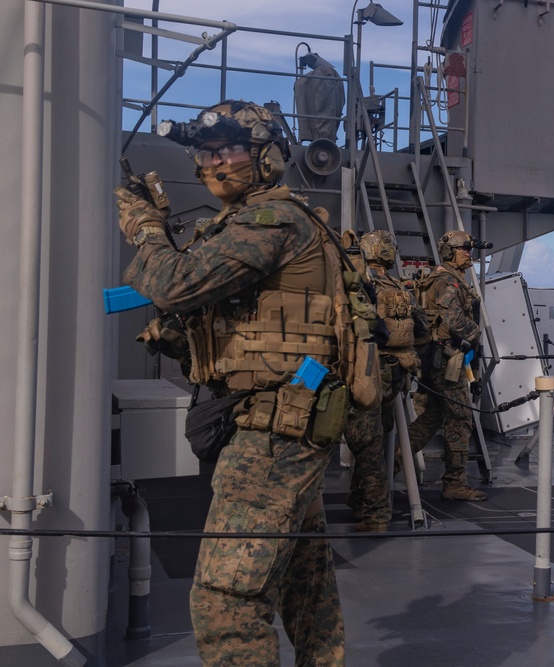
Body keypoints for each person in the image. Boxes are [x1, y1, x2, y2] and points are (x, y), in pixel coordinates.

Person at [116, 100, 348, 665]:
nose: (215, 163)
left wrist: (145, 228)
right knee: (304, 581)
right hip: (271, 419)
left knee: (226, 601)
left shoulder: (273, 220)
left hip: (273, 430)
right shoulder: (248, 225)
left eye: (229, 149)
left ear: (266, 157)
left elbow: (174, 283)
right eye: (206, 153)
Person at [344, 229, 429, 530]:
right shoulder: (400, 287)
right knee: (378, 439)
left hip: (367, 371)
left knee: (367, 443)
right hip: (397, 372)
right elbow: (423, 329)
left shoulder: (362, 285)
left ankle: (377, 515)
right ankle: (358, 500)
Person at [407, 230, 488, 501]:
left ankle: (389, 466)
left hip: (434, 357)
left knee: (431, 417)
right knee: (460, 419)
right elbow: (453, 321)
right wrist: (475, 333)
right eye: (464, 248)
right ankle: (454, 482)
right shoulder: (447, 282)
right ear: (450, 252)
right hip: (445, 360)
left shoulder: (442, 278)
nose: (469, 253)